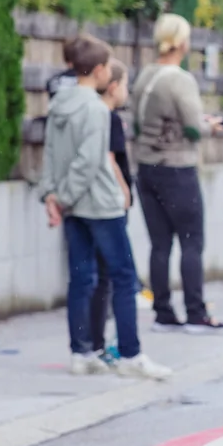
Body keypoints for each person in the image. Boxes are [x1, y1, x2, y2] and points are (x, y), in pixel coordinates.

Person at [39, 35, 172, 382]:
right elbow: (89, 161)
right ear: (99, 70)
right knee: (124, 278)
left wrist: (52, 196)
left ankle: (80, 353)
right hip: (100, 204)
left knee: (81, 278)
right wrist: (64, 196)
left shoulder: (58, 104)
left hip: (73, 207)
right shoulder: (97, 109)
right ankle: (130, 354)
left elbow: (51, 154)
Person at [132, 14, 223, 332]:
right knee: (191, 240)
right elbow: (192, 125)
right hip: (177, 168)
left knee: (160, 244)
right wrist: (210, 125)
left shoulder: (145, 75)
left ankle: (163, 312)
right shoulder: (180, 79)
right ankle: (196, 313)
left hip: (146, 167)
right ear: (183, 43)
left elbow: (136, 124)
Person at [88, 58, 137, 360]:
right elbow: (109, 157)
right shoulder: (110, 118)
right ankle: (114, 345)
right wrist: (124, 190)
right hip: (109, 204)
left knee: (95, 275)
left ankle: (92, 342)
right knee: (115, 275)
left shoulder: (92, 114)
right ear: (115, 86)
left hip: (92, 203)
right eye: (127, 84)